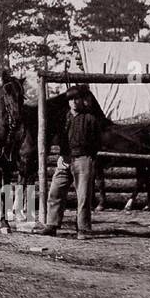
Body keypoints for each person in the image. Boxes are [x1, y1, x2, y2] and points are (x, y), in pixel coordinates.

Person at [43, 87, 100, 238]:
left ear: (82, 100)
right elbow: (57, 138)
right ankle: (52, 224)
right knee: (55, 191)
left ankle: (83, 229)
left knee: (83, 196)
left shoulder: (90, 118)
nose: (74, 102)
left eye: (77, 99)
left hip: (83, 159)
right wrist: (62, 157)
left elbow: (97, 142)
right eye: (71, 99)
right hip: (64, 159)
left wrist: (89, 159)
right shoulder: (63, 118)